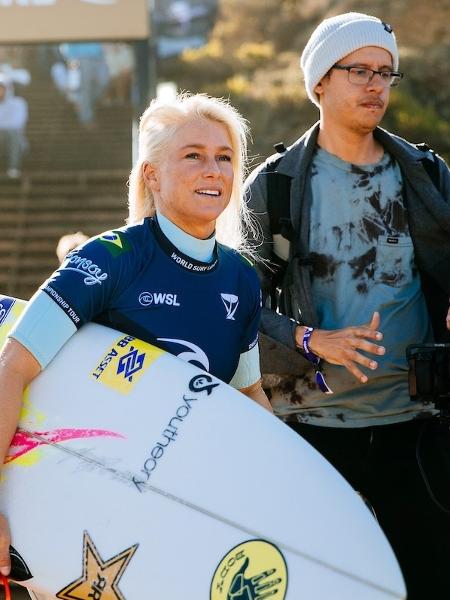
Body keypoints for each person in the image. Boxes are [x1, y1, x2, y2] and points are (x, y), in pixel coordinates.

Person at [0, 92, 272, 599]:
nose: (213, 170)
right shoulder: (115, 257)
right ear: (151, 174)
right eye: (193, 155)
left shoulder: (240, 279)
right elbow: (11, 365)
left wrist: (300, 493)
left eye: (225, 157)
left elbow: (249, 399)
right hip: (79, 516)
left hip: (179, 514)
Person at [244, 12, 450, 599]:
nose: (375, 85)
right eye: (358, 70)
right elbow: (236, 308)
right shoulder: (276, 185)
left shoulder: (427, 174)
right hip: (312, 431)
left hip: (416, 427)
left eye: (386, 72)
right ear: (319, 83)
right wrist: (312, 341)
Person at [0, 73, 28, 178]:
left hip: (15, 140)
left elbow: (17, 124)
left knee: (12, 133)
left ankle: (13, 167)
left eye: (1, 88)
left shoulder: (19, 103)